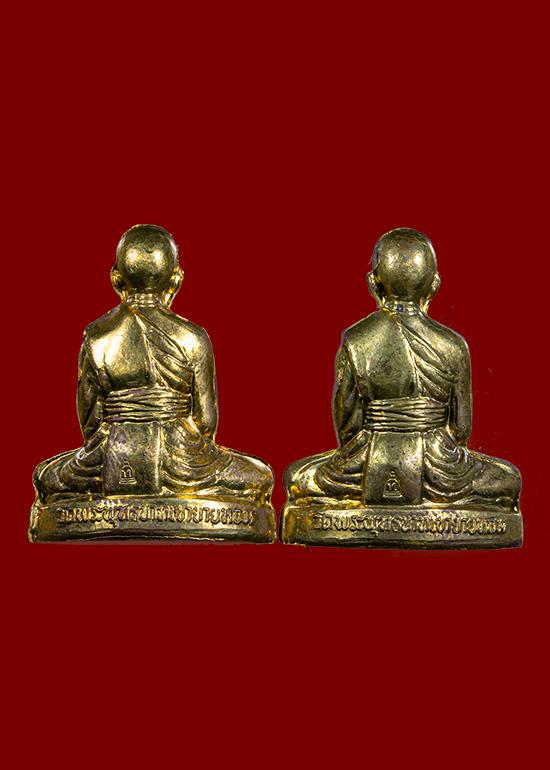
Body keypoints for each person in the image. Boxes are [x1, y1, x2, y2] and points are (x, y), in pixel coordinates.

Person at [33, 224, 273, 505]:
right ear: (176, 279)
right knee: (259, 476)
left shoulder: (97, 335)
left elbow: (90, 419)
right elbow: (206, 422)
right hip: (180, 460)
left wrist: (110, 446)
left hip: (108, 456)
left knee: (47, 476)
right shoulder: (192, 337)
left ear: (116, 279)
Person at [285, 227, 521, 511]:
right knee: (507, 480)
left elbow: (348, 425)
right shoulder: (453, 345)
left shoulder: (357, 339)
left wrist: (371, 445)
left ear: (373, 283)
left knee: (298, 478)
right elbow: (460, 428)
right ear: (434, 285)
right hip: (439, 470)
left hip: (365, 462)